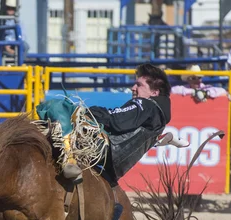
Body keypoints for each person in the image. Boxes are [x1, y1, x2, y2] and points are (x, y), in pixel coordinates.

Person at [37, 63, 185, 181]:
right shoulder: (158, 116)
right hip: (115, 166)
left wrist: (87, 111)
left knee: (55, 106)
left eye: (139, 85)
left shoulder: (145, 104)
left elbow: (116, 120)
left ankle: (69, 159)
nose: (133, 88)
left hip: (104, 148)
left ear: (154, 92)